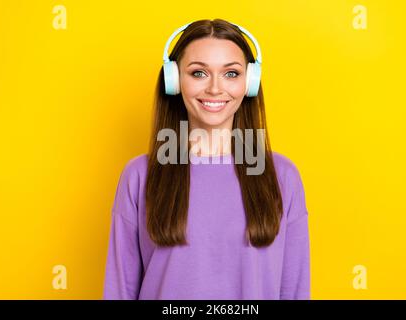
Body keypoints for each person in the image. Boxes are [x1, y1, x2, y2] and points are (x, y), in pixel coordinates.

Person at [103, 18, 310, 300]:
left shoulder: (282, 175)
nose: (215, 88)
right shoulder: (140, 174)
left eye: (231, 74)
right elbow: (120, 290)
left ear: (249, 83)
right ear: (174, 81)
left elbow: (295, 290)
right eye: (199, 73)